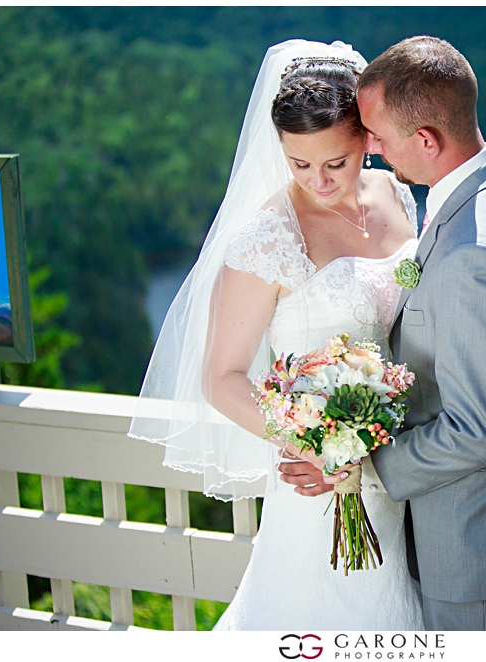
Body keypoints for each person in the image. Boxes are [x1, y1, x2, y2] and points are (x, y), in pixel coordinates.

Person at [279, 36, 486, 631]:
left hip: (481, 547)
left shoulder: (470, 256)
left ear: (425, 140)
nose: (366, 146)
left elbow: (477, 432)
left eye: (375, 134)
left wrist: (361, 464)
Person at [128, 40, 424, 631]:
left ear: (367, 139)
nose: (318, 182)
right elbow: (220, 376)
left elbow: (416, 302)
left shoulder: (393, 194)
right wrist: (317, 442)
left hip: (408, 463)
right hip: (319, 479)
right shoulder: (265, 239)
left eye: (335, 163)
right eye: (299, 164)